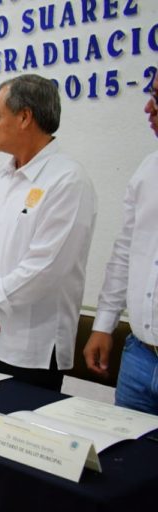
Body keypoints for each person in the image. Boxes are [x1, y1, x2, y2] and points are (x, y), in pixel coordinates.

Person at [0, 73, 97, 391]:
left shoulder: (67, 180)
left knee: (17, 440)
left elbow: (45, 268)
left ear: (24, 117)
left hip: (30, 350)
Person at [83, 69, 158, 414]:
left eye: (157, 98)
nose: (148, 107)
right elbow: (125, 253)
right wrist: (103, 324)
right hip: (140, 355)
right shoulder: (148, 170)